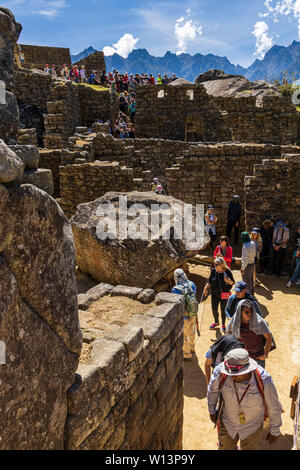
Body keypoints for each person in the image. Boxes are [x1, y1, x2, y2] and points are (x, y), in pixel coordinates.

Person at [207, 348, 282, 450]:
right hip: (228, 424)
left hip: (252, 427)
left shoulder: (264, 379)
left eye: (236, 375)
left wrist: (275, 430)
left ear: (248, 369)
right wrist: (211, 410)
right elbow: (212, 391)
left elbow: (274, 406)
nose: (232, 376)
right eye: (230, 373)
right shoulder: (220, 372)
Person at [226, 299, 272, 368]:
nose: (250, 314)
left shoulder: (259, 322)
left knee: (259, 377)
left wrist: (265, 354)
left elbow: (269, 337)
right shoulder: (233, 323)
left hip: (258, 356)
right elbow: (228, 338)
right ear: (240, 312)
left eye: (251, 311)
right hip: (242, 357)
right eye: (246, 312)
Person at [171, 269, 198, 360]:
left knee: (184, 335)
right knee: (191, 330)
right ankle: (192, 348)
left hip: (184, 316)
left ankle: (186, 354)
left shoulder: (175, 289)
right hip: (193, 313)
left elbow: (176, 304)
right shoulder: (192, 284)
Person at [204, 257, 235, 332]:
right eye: (214, 264)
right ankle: (216, 322)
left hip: (224, 294)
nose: (215, 266)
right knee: (214, 309)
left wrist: (228, 280)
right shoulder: (214, 271)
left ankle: (223, 324)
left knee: (223, 310)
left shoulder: (227, 271)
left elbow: (233, 282)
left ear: (222, 264)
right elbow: (210, 281)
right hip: (214, 294)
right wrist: (205, 288)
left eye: (216, 264)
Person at [286, 223, 300, 287]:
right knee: (296, 266)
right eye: (297, 229)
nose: (298, 230)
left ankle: (290, 281)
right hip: (297, 252)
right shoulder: (297, 235)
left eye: (299, 229)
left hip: (298, 253)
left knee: (297, 268)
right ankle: (298, 279)